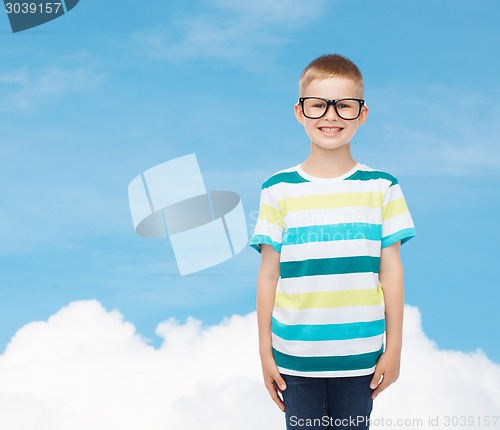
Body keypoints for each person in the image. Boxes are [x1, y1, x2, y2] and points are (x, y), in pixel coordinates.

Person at [249, 54, 416, 430]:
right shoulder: (277, 190)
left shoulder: (382, 187)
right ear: (299, 111)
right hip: (295, 358)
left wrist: (395, 348)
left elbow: (391, 271)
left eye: (344, 105)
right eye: (318, 105)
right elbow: (268, 275)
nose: (331, 115)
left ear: (362, 113)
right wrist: (265, 352)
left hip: (362, 359)